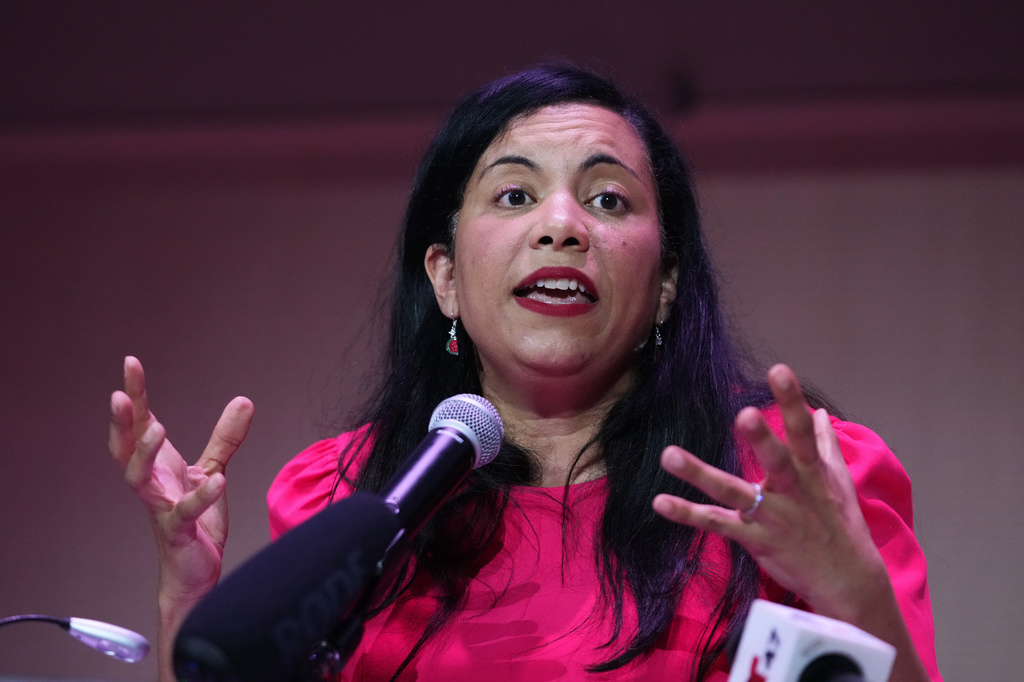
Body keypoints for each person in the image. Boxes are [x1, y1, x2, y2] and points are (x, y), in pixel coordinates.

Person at [109, 64, 941, 681]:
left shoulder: (794, 481)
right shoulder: (347, 496)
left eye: (609, 200)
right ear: (444, 277)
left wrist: (857, 598)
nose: (562, 226)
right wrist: (190, 596)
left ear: (665, 287)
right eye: (514, 196)